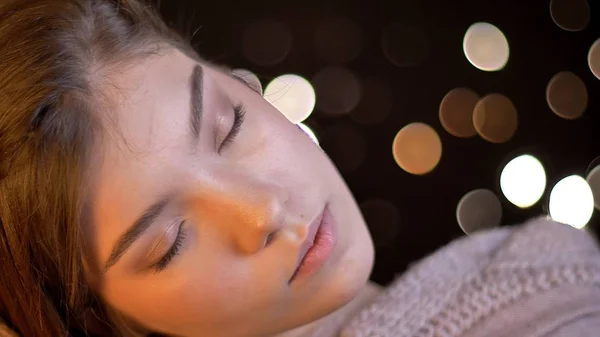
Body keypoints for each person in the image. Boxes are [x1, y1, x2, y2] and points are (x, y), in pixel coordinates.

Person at [1, 1, 600, 336]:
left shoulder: (549, 301)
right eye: (171, 242)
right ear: (112, 324)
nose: (260, 210)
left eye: (229, 126)